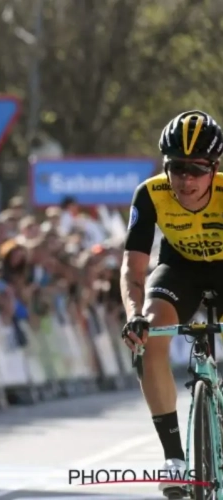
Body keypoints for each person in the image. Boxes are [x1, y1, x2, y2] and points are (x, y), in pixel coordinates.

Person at [121, 110, 223, 499]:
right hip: (180, 270)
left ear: (214, 168)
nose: (185, 179)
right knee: (148, 336)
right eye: (176, 168)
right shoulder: (150, 194)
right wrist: (133, 317)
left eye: (196, 169)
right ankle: (174, 459)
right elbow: (133, 266)